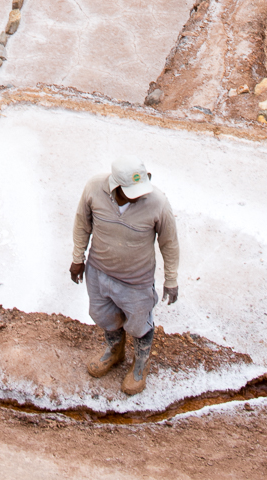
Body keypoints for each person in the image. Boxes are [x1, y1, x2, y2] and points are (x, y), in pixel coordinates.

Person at [70, 158, 179, 395]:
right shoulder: (93, 189)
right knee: (103, 315)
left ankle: (140, 363)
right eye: (131, 192)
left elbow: (169, 243)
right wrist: (78, 259)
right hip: (99, 272)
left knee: (140, 324)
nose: (139, 196)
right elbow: (82, 224)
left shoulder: (157, 202)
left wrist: (171, 280)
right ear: (115, 187)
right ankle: (115, 351)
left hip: (136, 281)